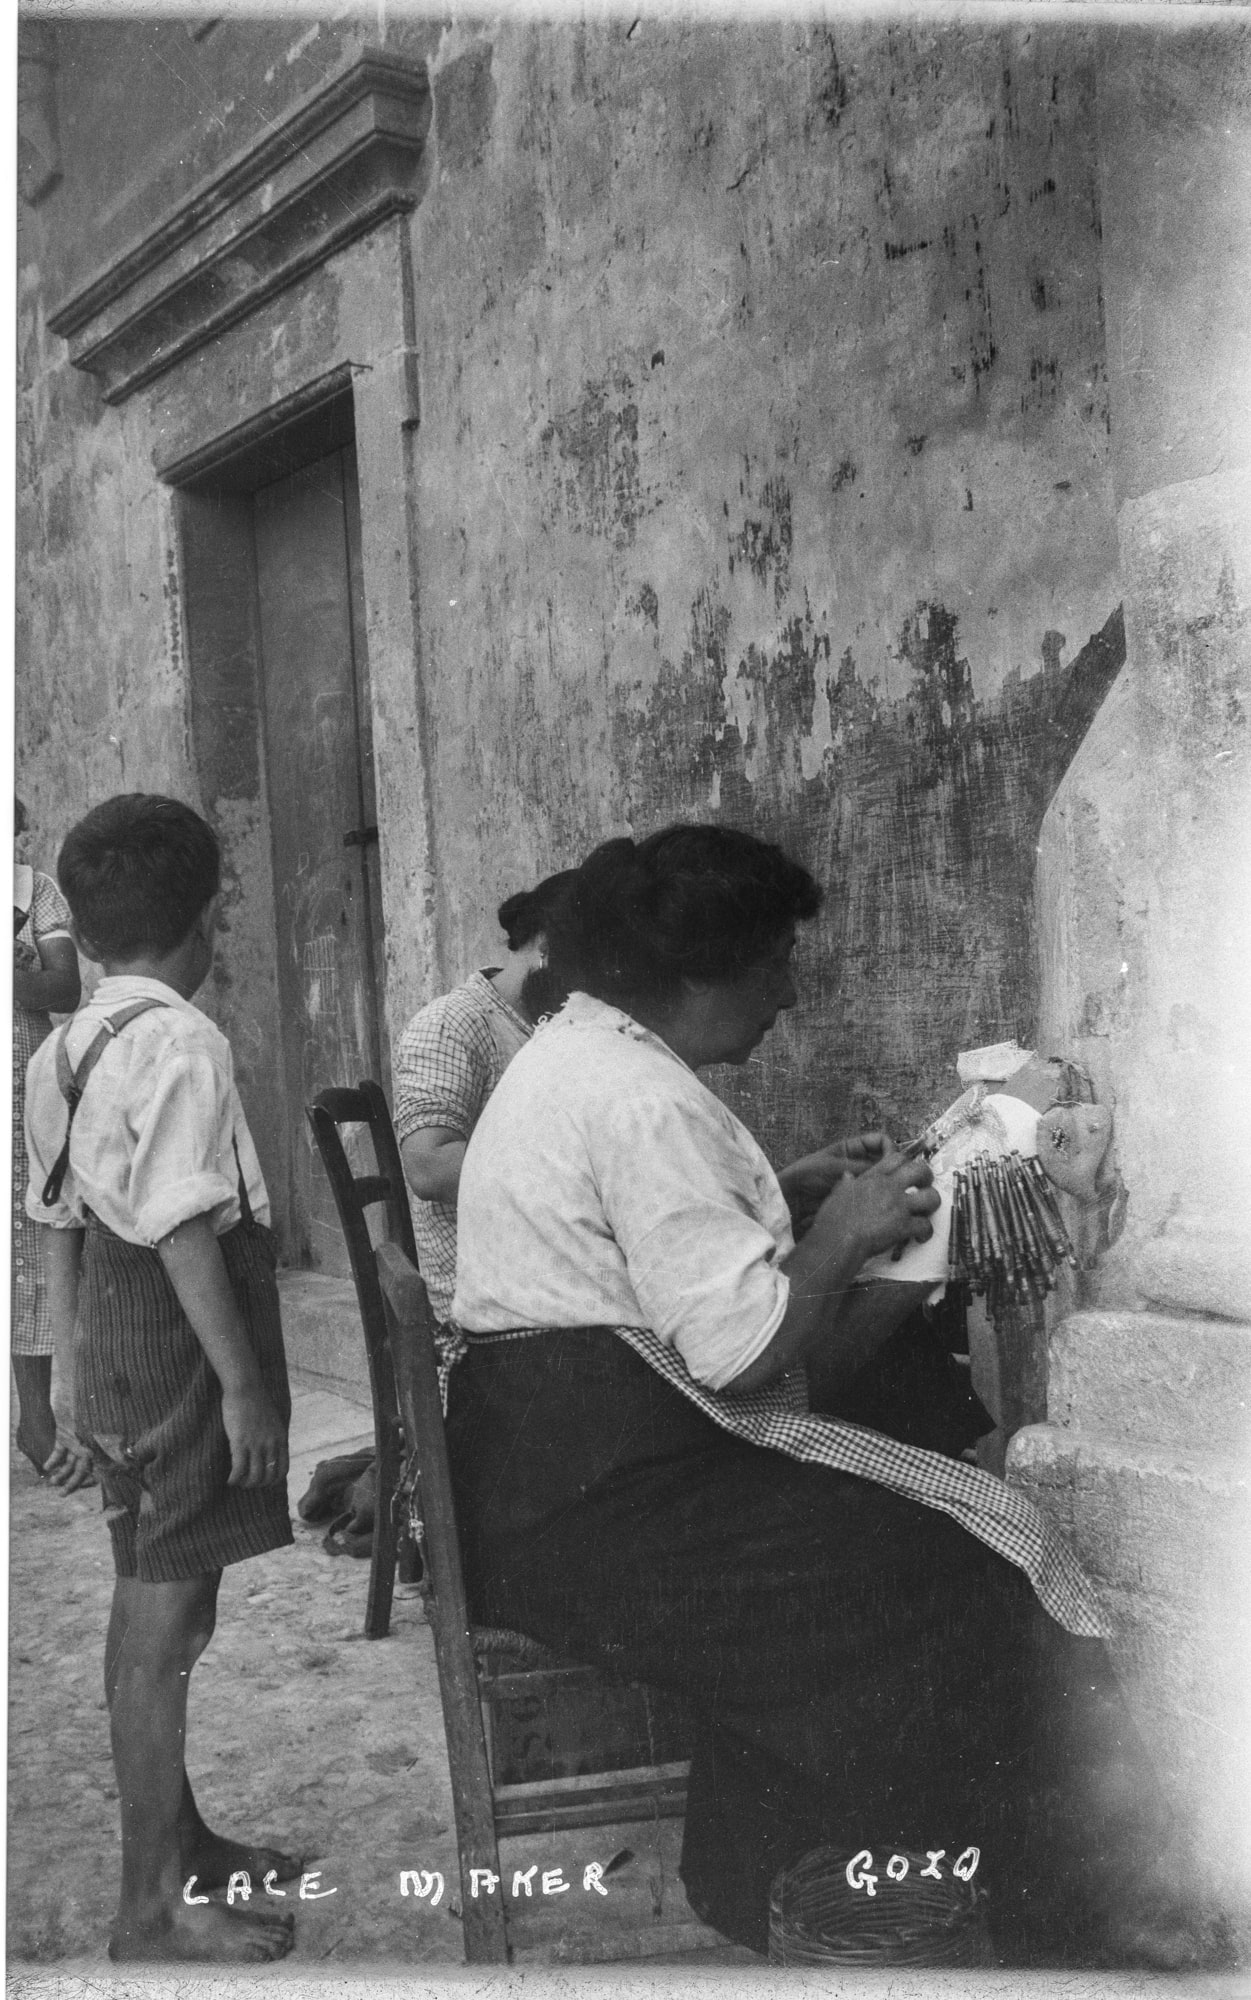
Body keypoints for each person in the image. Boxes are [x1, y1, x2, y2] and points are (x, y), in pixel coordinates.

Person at [446, 823, 1198, 1969]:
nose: (791, 992)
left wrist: (788, 1203)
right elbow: (744, 1351)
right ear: (696, 976)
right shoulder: (639, 1097)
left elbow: (652, 1255)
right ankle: (1061, 1919)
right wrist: (845, 1235)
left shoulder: (585, 1054)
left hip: (557, 1474)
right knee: (959, 1572)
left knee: (915, 1490)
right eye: (773, 964)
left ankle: (803, 1882)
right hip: (596, 1515)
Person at [25, 794, 298, 1964]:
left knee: (158, 1590)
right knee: (165, 1613)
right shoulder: (182, 1038)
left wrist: (68, 1381)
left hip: (124, 1338)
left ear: (79, 934)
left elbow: (56, 1224)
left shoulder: (63, 1043)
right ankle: (149, 1906)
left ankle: (181, 1842)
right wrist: (241, 1385)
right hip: (187, 1338)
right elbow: (186, 1230)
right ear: (208, 921)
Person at [392, 869, 578, 1335]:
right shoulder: (453, 1024)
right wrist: (576, 1167)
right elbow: (428, 1167)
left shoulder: (552, 1024)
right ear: (546, 947)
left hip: (543, 1282)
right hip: (483, 1307)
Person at [12, 798, 87, 1481]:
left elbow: (65, 985)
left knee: (28, 1251)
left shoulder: (32, 892)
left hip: (15, 1095)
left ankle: (37, 1418)